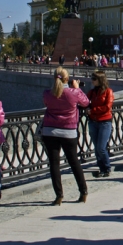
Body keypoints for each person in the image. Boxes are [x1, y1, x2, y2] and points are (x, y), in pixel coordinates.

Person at [42, 66, 90, 205]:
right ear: (67, 78)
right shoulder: (73, 93)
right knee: (74, 161)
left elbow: (47, 103)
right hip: (69, 131)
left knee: (54, 164)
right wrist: (77, 88)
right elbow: (86, 102)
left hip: (50, 131)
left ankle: (59, 196)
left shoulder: (47, 93)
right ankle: (83, 191)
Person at [87, 70, 114, 178]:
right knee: (96, 147)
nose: (92, 81)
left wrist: (92, 110)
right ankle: (101, 168)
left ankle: (107, 167)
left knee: (101, 147)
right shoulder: (92, 92)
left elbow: (107, 107)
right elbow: (84, 100)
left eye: (94, 79)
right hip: (93, 122)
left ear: (100, 80)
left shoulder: (108, 91)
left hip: (105, 122)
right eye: (92, 78)